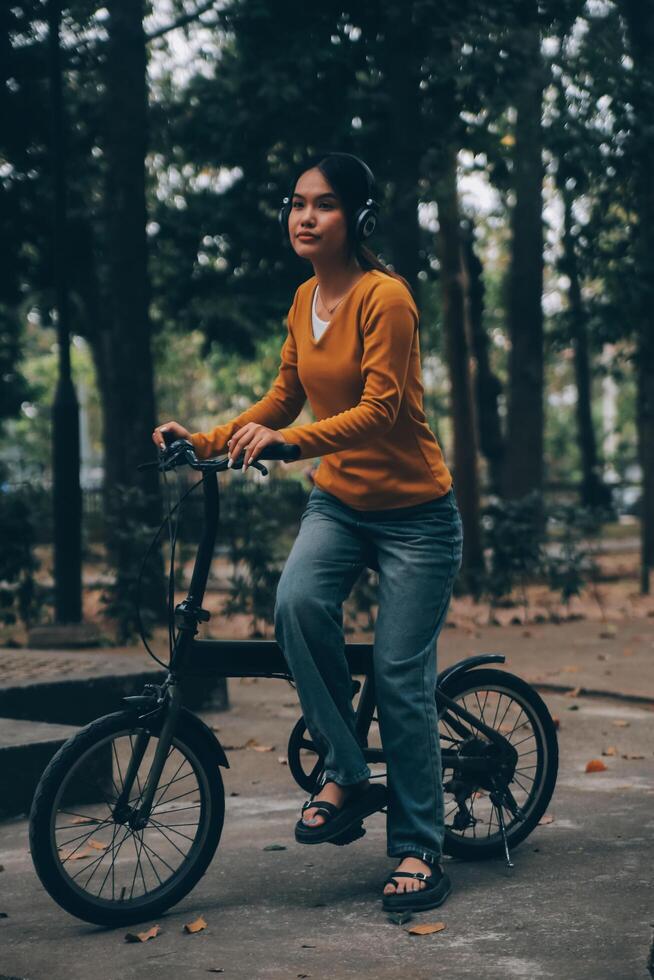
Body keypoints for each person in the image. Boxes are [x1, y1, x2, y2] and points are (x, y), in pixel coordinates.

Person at [152, 151, 463, 913]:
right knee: (295, 605)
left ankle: (421, 846)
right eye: (296, 203)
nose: (303, 216)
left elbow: (384, 410)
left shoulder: (385, 299)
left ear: (355, 219)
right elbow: (284, 396)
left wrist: (291, 446)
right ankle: (349, 773)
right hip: (340, 505)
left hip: (417, 517)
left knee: (398, 675)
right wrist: (211, 437)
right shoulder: (302, 302)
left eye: (322, 205)